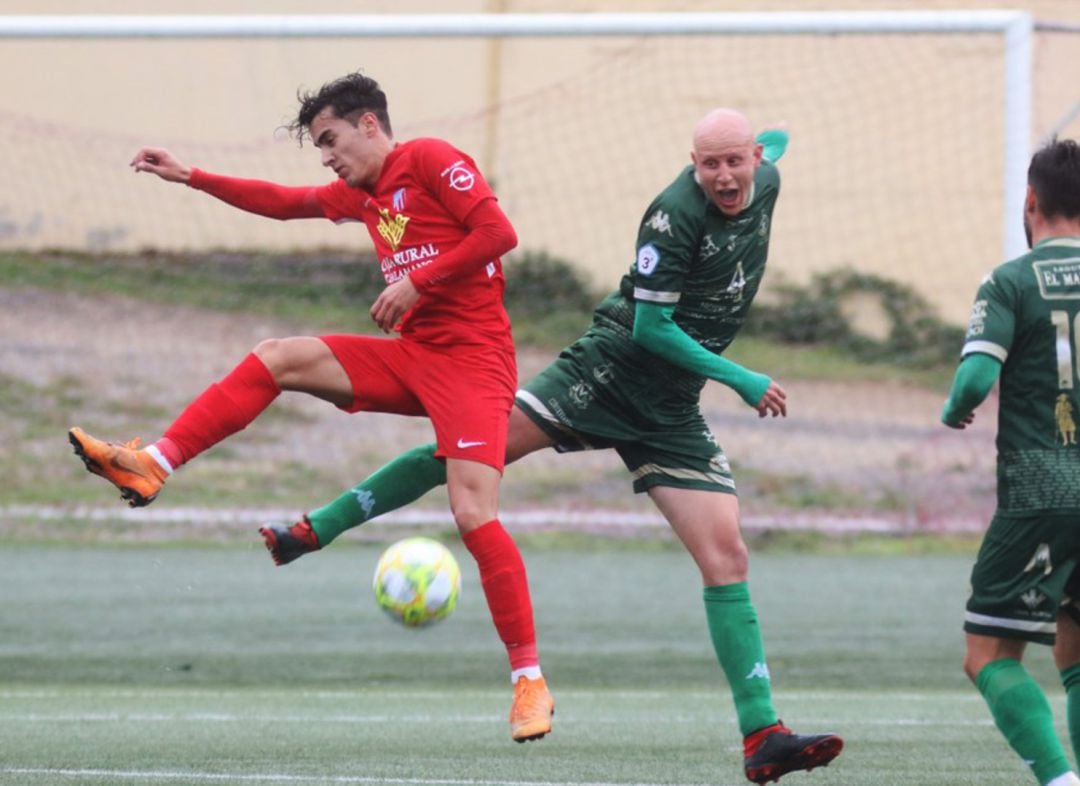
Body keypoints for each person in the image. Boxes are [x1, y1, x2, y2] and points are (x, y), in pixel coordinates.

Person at [261, 108, 843, 784]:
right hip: (607, 373)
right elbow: (652, 329)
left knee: (727, 555)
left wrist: (769, 134)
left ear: (753, 160)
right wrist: (742, 378)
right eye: (708, 164)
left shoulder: (763, 175)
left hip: (670, 408)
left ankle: (762, 737)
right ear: (691, 163)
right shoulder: (671, 219)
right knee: (471, 453)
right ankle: (316, 528)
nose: (723, 176)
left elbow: (777, 141)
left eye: (735, 161)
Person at [67, 70, 554, 744]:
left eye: (330, 140)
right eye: (320, 147)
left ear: (370, 125)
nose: (327, 157)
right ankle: (152, 461)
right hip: (414, 357)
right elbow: (283, 201)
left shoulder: (433, 159)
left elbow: (498, 233)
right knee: (279, 357)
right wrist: (193, 177)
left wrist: (418, 281)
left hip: (475, 365)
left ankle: (527, 682)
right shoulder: (363, 193)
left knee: (472, 511)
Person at [942, 138, 1080, 786]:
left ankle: (1059, 779)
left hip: (1043, 488)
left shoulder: (1010, 281)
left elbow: (974, 380)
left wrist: (954, 409)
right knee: (1076, 656)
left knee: (988, 654)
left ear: (1031, 202)